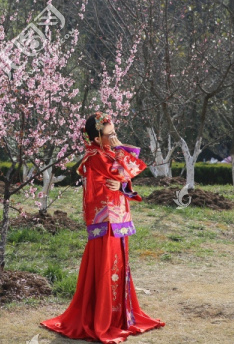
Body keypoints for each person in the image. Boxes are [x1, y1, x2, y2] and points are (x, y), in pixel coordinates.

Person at [41, 112, 165, 343]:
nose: (116, 138)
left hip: (119, 220)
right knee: (107, 269)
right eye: (111, 135)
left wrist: (122, 182)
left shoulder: (108, 153)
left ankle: (120, 317)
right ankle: (103, 318)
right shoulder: (95, 157)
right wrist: (121, 172)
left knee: (120, 268)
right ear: (97, 139)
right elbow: (128, 168)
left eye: (116, 133)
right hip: (105, 222)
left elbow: (126, 173)